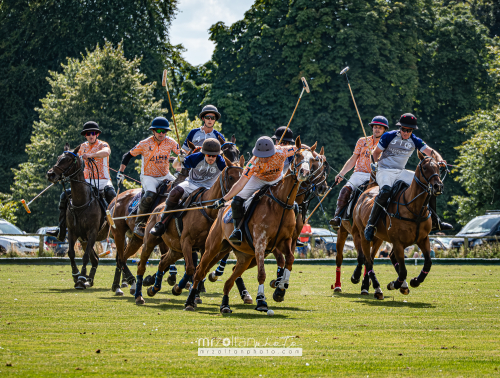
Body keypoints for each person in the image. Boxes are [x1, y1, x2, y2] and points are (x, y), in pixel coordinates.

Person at [211, 136, 324, 245]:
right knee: (237, 200)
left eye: (267, 155)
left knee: (293, 203)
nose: (264, 158)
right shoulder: (253, 163)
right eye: (261, 155)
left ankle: (290, 231)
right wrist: (223, 199)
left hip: (277, 178)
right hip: (258, 179)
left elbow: (301, 147)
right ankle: (237, 230)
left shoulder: (281, 151)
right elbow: (240, 184)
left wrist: (316, 154)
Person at [364, 113, 453, 242]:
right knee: (385, 191)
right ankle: (370, 225)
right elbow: (376, 152)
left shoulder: (415, 140)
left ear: (412, 130)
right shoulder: (389, 136)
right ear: (400, 128)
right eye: (404, 129)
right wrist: (375, 163)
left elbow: (431, 152)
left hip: (401, 171)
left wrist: (440, 160)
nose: (406, 132)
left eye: (409, 130)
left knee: (429, 186)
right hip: (385, 170)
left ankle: (435, 221)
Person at [47, 121, 116, 241]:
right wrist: (57, 170)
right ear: (85, 135)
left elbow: (106, 152)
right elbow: (69, 157)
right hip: (87, 181)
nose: (91, 135)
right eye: (88, 133)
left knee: (112, 196)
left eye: (93, 133)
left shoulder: (103, 145)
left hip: (103, 180)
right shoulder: (82, 147)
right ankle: (61, 229)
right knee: (65, 195)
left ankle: (117, 227)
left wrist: (91, 155)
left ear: (97, 134)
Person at [117, 117, 182, 237]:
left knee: (181, 189)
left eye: (164, 131)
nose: (161, 133)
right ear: (153, 131)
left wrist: (181, 157)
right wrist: (121, 172)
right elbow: (127, 155)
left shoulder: (171, 142)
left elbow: (182, 154)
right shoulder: (144, 143)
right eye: (159, 130)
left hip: (165, 175)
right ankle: (139, 223)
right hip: (148, 176)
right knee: (150, 194)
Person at [149, 138, 227, 237]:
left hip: (210, 188)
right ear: (204, 154)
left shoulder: (221, 162)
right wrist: (179, 159)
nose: (211, 158)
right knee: (174, 192)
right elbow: (175, 165)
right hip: (191, 184)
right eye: (208, 155)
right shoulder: (196, 158)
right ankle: (161, 223)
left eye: (214, 156)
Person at [329, 116, 389, 229]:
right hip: (360, 174)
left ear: (384, 130)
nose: (377, 129)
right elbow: (353, 159)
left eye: (380, 128)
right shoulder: (362, 141)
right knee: (345, 190)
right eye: (375, 127)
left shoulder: (387, 144)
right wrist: (342, 173)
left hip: (377, 176)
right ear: (372, 128)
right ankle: (338, 217)